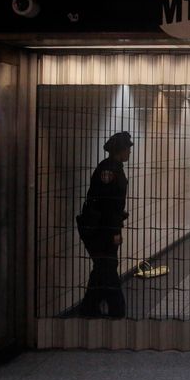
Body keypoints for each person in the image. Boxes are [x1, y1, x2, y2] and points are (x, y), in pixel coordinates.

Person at [76, 131, 133, 318]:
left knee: (103, 266)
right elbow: (108, 205)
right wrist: (115, 231)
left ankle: (89, 307)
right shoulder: (109, 170)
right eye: (128, 149)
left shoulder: (112, 167)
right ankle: (117, 310)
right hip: (99, 229)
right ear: (120, 150)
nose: (130, 152)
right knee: (107, 266)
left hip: (99, 226)